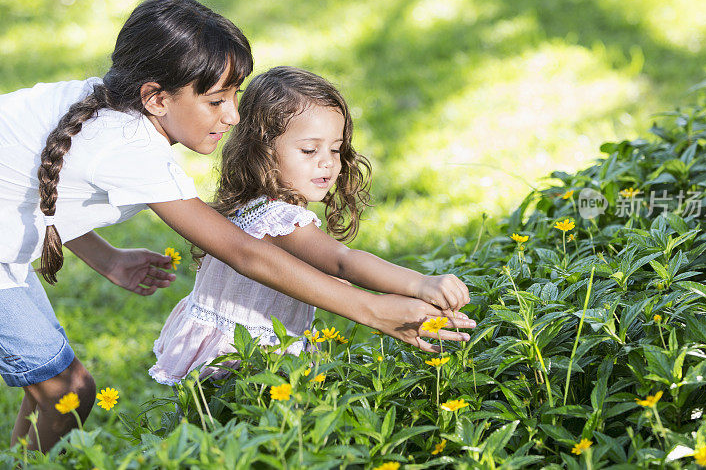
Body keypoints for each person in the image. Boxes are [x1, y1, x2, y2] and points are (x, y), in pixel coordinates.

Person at [0, 0, 475, 452]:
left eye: (235, 96)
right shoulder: (126, 146)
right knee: (71, 394)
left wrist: (106, 258)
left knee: (52, 389)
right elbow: (245, 251)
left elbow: (37, 184)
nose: (233, 115)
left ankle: (21, 457)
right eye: (215, 101)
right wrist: (374, 312)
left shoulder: (103, 107)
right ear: (156, 98)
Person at [149, 66, 471, 385]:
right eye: (309, 149)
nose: (328, 162)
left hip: (216, 354)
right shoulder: (281, 221)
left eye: (335, 149)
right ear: (262, 150)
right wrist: (420, 284)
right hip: (248, 366)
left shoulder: (245, 207)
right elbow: (343, 261)